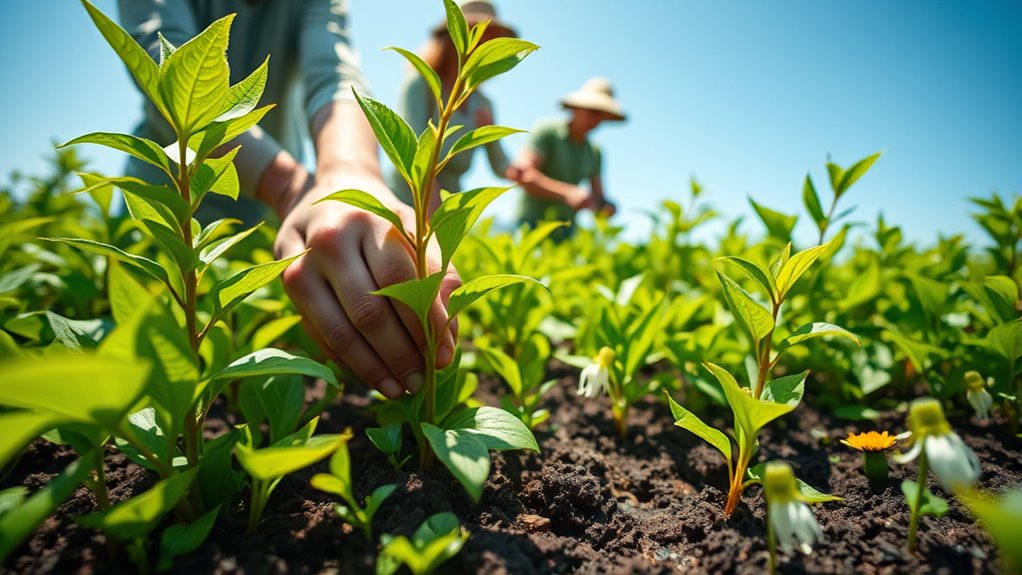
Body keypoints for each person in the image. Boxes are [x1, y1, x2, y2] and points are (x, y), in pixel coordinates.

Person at [118, 0, 459, 400]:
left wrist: (350, 174)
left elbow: (334, 76)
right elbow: (168, 73)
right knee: (148, 374)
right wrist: (291, 188)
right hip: (169, 208)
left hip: (267, 221)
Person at [390, 0, 515, 213]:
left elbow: (501, 166)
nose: (485, 43)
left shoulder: (483, 103)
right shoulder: (421, 84)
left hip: (449, 207)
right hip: (407, 205)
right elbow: (412, 154)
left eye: (493, 38)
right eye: (477, 31)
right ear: (454, 35)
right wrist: (430, 217)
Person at [509, 76, 626, 236]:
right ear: (576, 108)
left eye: (602, 114)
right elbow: (522, 175)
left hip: (566, 233)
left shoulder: (594, 152)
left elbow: (598, 199)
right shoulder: (547, 132)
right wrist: (567, 193)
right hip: (531, 227)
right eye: (593, 111)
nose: (597, 119)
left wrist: (606, 207)